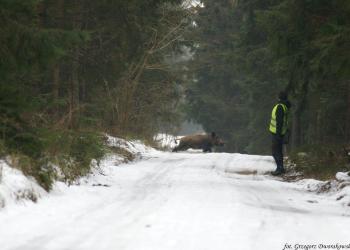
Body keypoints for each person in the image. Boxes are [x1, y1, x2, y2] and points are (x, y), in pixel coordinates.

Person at [269, 91, 291, 176]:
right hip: (281, 132)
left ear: (279, 97)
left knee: (275, 151)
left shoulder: (279, 107)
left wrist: (277, 134)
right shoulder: (285, 106)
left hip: (277, 133)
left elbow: (279, 121)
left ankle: (279, 168)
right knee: (278, 151)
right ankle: (280, 168)